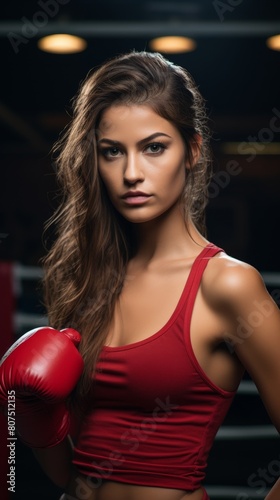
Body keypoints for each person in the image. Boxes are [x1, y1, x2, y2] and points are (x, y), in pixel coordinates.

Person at [1, 51, 280, 500]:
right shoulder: (87, 280)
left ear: (191, 151)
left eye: (154, 147)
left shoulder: (225, 286)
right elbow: (67, 475)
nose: (132, 173)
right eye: (112, 152)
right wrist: (32, 416)